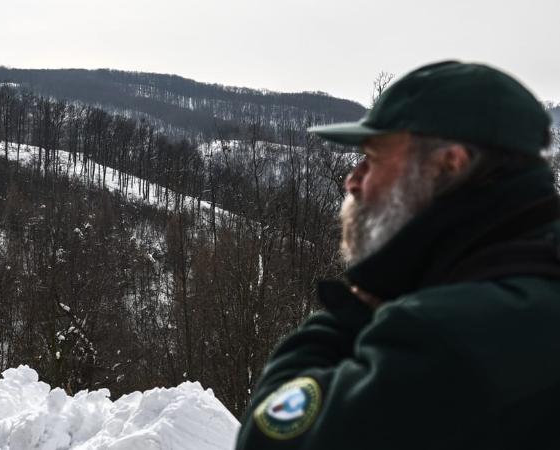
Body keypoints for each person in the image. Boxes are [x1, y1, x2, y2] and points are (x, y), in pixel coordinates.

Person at [234, 60, 559, 450]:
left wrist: (356, 307)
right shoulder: (534, 276)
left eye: (372, 158)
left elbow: (269, 439)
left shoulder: (446, 335)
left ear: (448, 165)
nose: (351, 180)